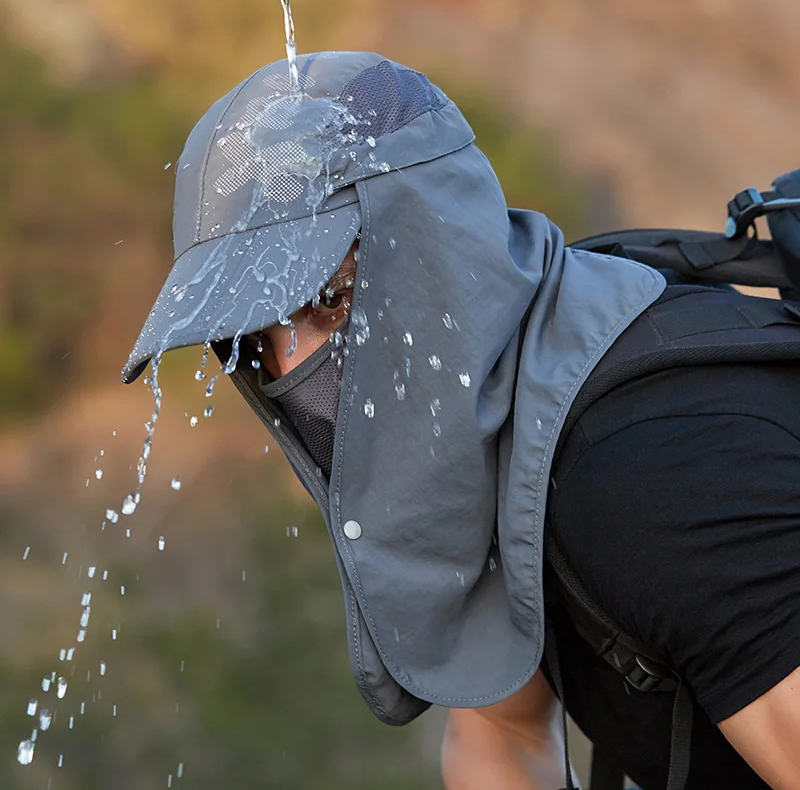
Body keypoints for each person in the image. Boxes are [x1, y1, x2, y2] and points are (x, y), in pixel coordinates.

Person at [122, 52, 800, 789]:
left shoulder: (654, 477)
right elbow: (498, 732)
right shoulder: (489, 412)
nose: (289, 367)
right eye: (255, 335)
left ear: (438, 259)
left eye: (330, 301)